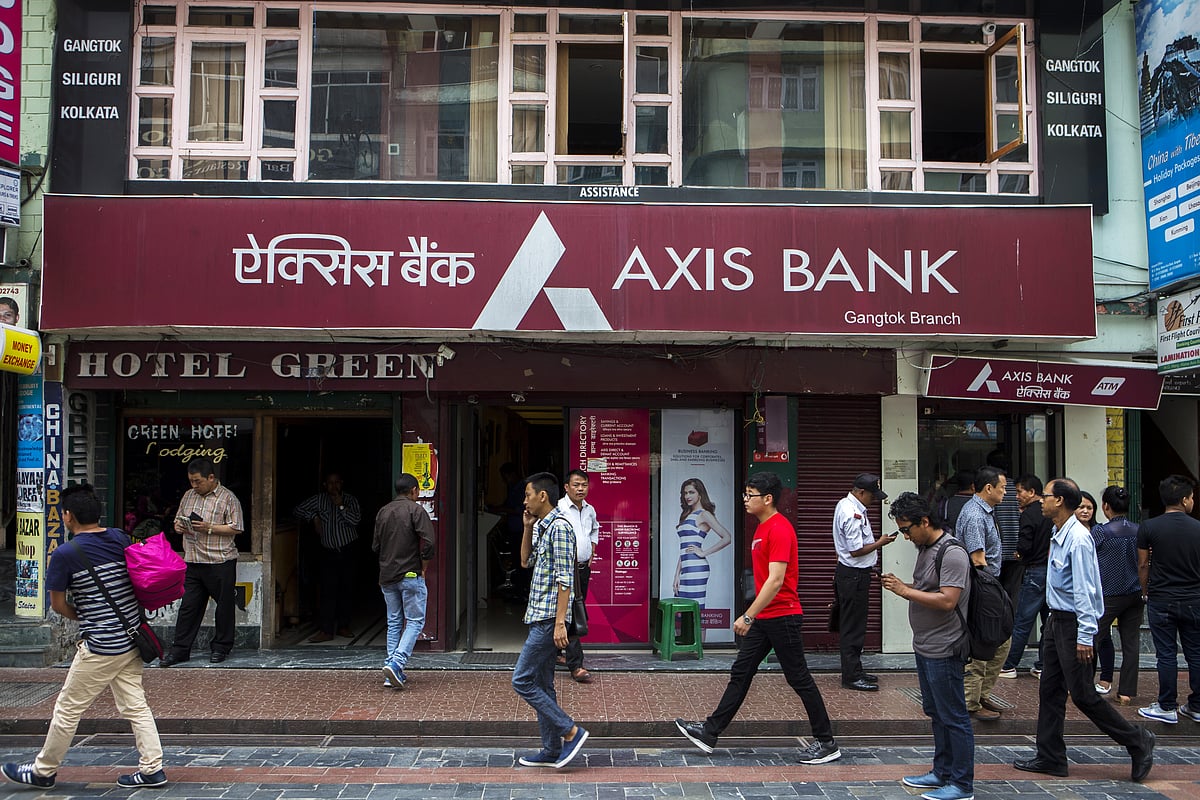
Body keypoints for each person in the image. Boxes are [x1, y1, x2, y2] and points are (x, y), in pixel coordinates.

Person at [2, 484, 168, 790]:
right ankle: (152, 768)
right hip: (132, 637)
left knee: (68, 707)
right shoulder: (118, 537)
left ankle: (44, 770)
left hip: (102, 645)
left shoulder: (65, 554)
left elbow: (58, 604)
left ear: (68, 516)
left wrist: (86, 615)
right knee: (135, 705)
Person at [675, 471, 842, 765]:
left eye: (750, 495)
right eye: (745, 494)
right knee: (741, 672)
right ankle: (710, 732)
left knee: (799, 678)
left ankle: (826, 742)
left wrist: (748, 617)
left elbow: (776, 581)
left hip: (783, 616)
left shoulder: (779, 528)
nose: (745, 500)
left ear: (767, 499)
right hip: (766, 616)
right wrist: (756, 615)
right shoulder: (762, 528)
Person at [1013, 477, 1155, 783]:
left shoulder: (1078, 539)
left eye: (1046, 496)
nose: (1041, 500)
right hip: (1057, 621)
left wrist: (1086, 635)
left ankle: (1137, 740)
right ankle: (1050, 756)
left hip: (1074, 623)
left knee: (1083, 695)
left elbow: (1088, 590)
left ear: (1060, 501)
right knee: (1049, 690)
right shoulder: (1058, 531)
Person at [882, 492, 973, 800]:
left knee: (954, 716)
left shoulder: (952, 552)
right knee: (936, 712)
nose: (905, 536)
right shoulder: (926, 548)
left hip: (945, 648)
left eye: (907, 529)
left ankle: (962, 784)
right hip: (925, 645)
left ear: (924, 521)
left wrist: (904, 590)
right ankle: (942, 772)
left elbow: (948, 600)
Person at [512, 472, 588, 769]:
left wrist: (560, 624)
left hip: (548, 620)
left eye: (528, 495)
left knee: (522, 679)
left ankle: (570, 730)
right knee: (543, 685)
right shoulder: (543, 527)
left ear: (542, 496)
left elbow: (565, 580)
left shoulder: (559, 528)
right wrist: (527, 528)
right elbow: (524, 561)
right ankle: (550, 749)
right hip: (539, 616)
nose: (525, 500)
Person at [160, 458, 244, 666]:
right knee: (188, 606)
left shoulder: (228, 498)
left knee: (224, 607)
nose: (194, 485)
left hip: (220, 561)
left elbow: (237, 527)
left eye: (198, 481)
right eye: (191, 481)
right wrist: (179, 526)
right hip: (193, 560)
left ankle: (221, 647)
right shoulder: (189, 496)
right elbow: (179, 517)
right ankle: (180, 650)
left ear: (211, 478)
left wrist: (208, 527)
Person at [1137, 474, 1200, 725]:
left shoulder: (1149, 527)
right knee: (1195, 654)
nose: (1193, 501)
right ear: (1184, 500)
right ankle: (1196, 705)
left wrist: (1145, 591)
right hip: (1195, 598)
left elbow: (1143, 564)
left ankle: (1166, 705)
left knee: (1166, 654)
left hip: (1161, 598)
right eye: (1192, 497)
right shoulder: (1198, 528)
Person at [958, 465, 1011, 720]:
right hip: (982, 588)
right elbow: (978, 559)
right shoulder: (975, 516)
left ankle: (981, 694)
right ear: (988, 488)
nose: (1005, 492)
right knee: (982, 642)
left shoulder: (985, 512)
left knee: (1000, 641)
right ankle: (970, 701)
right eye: (1002, 488)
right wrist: (993, 593)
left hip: (988, 586)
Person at [831, 472, 893, 691]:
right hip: (853, 576)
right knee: (853, 628)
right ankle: (851, 676)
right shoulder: (851, 512)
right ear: (860, 492)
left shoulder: (847, 505)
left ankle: (855, 670)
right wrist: (881, 543)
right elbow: (856, 550)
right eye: (872, 495)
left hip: (853, 574)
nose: (874, 499)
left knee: (855, 626)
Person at [374, 473, 435, 690]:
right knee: (415, 621)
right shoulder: (416, 510)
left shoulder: (383, 511)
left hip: (387, 576)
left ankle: (391, 672)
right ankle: (397, 662)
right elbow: (429, 543)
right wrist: (424, 567)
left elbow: (375, 546)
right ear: (414, 491)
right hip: (410, 574)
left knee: (394, 621)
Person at [293, 472, 362, 643]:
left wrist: (340, 506)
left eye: (337, 482)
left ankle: (344, 626)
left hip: (347, 550)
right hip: (328, 552)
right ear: (325, 485)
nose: (334, 486)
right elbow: (298, 510)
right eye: (330, 483)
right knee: (327, 591)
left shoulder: (350, 500)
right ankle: (326, 630)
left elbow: (356, 520)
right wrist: (314, 517)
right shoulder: (319, 500)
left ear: (342, 483)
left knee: (346, 589)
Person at [1092, 485, 1143, 705]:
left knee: (1091, 638)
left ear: (1105, 506)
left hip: (1108, 594)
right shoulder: (1139, 530)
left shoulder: (1101, 532)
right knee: (1131, 643)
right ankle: (1126, 693)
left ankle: (1082, 685)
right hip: (1134, 593)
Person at [1000, 474, 1053, 679]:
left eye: (1020, 491)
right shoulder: (1049, 513)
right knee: (1048, 621)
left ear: (1032, 492)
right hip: (1051, 571)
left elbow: (1024, 545)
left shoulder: (1028, 515)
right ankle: (1043, 664)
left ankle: (1009, 664)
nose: (1016, 496)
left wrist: (1019, 553)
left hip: (1034, 571)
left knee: (1023, 620)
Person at [558, 469, 600, 683]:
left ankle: (557, 653)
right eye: (576, 485)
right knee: (571, 614)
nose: (580, 488)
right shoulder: (559, 509)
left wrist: (592, 551)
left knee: (574, 610)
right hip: (564, 570)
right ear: (567, 487)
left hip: (582, 568)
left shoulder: (590, 509)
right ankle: (576, 665)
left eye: (584, 485)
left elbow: (595, 530)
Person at [673, 478, 732, 616]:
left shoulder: (704, 514)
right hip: (685, 568)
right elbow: (684, 549)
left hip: (697, 568)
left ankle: (698, 639)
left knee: (695, 615)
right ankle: (686, 639)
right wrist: (676, 574)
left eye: (691, 492)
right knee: (681, 615)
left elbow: (727, 537)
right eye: (685, 493)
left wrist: (704, 552)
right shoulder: (687, 515)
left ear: (700, 494)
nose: (687, 496)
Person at [988, 450, 1023, 602]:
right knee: (1011, 595)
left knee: (993, 594)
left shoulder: (991, 491)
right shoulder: (1018, 489)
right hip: (1015, 551)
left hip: (996, 551)